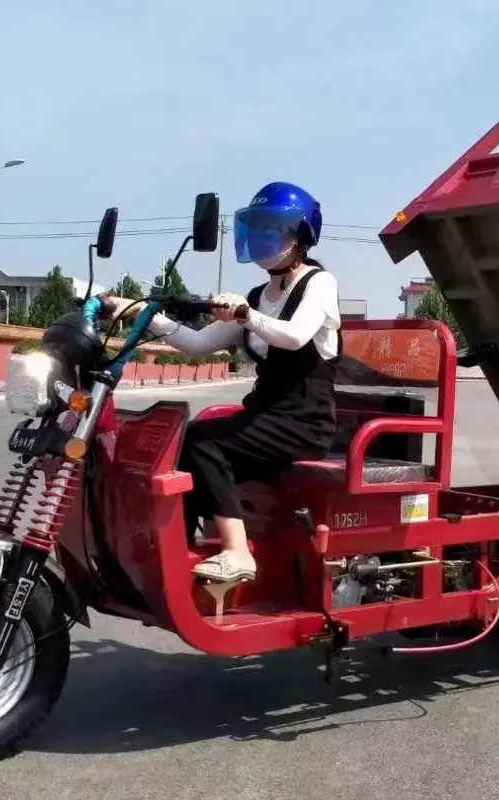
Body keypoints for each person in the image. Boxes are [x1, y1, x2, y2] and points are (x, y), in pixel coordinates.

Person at [109, 182, 342, 583]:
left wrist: (245, 316)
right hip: (266, 417)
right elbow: (198, 344)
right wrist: (145, 313)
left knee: (205, 441)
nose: (264, 238)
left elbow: (295, 336)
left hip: (303, 423)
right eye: (259, 228)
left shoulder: (319, 283)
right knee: (181, 443)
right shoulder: (258, 293)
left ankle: (238, 553)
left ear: (302, 235)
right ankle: (172, 548)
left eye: (275, 228)